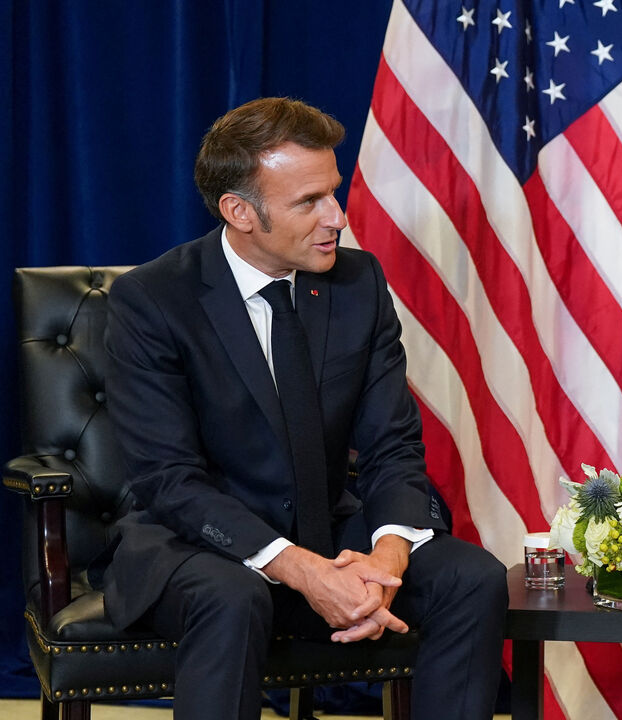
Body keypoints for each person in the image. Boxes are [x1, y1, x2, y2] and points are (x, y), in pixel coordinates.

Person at [102, 97, 508, 720]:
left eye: (333, 193)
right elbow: (169, 480)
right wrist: (302, 570)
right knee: (232, 597)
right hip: (196, 544)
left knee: (471, 578)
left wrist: (387, 559)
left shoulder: (358, 284)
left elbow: (392, 446)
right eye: (309, 201)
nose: (337, 217)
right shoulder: (153, 300)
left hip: (328, 527)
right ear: (240, 212)